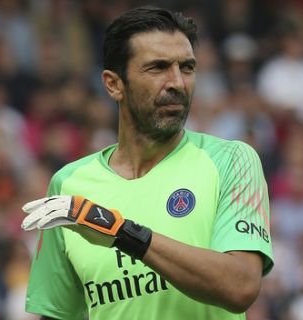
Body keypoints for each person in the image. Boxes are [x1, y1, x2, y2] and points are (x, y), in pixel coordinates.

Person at [21, 6, 274, 320]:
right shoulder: (70, 186)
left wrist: (123, 233)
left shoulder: (231, 161)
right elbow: (56, 314)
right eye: (158, 68)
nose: (177, 83)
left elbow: (241, 286)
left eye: (187, 68)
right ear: (114, 84)